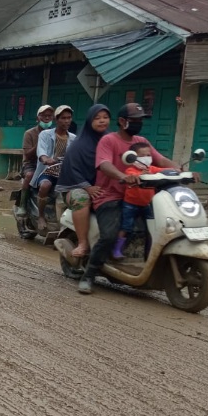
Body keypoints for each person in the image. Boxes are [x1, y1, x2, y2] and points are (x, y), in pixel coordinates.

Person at [78, 102, 187, 294]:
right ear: (122, 121)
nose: (138, 123)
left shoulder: (141, 141)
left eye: (140, 120)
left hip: (140, 196)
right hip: (110, 196)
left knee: (165, 226)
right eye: (134, 120)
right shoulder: (108, 140)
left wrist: (179, 169)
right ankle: (89, 274)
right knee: (109, 235)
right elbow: (103, 164)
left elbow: (160, 160)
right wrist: (122, 176)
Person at [56, 104, 111, 259]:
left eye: (105, 117)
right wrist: (87, 187)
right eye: (97, 118)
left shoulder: (112, 140)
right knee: (80, 198)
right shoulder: (78, 145)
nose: (102, 121)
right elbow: (72, 170)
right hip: (77, 187)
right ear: (89, 121)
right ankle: (83, 243)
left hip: (104, 187)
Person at [112, 142, 165, 259]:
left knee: (153, 227)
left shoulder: (151, 169)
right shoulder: (130, 171)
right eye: (143, 155)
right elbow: (133, 177)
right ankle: (116, 249)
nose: (147, 158)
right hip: (131, 204)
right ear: (133, 158)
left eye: (148, 155)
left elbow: (163, 170)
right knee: (126, 227)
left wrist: (178, 171)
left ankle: (152, 252)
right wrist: (141, 175)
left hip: (147, 204)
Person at [32, 105, 76, 234]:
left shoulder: (73, 138)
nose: (67, 121)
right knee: (45, 185)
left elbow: (77, 155)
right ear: (57, 120)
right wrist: (46, 159)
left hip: (65, 172)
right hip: (48, 170)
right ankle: (41, 216)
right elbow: (41, 151)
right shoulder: (45, 135)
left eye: (69, 118)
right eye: (63, 118)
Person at [20, 105, 54, 207]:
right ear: (37, 118)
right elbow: (28, 154)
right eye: (43, 116)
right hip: (32, 164)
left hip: (49, 164)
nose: (47, 118)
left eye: (49, 116)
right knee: (30, 175)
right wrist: (40, 141)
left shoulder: (55, 133)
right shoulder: (29, 133)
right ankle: (22, 205)